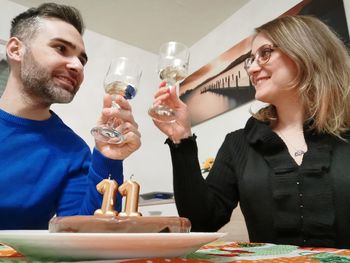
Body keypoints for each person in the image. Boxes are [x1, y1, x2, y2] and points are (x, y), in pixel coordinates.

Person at [152, 15, 350, 248]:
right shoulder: (239, 143)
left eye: (265, 53)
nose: (252, 69)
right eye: (250, 59)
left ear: (306, 52)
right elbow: (202, 221)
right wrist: (181, 139)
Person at [0, 3, 141, 229]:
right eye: (61, 48)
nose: (77, 65)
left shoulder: (73, 151)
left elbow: (85, 236)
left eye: (82, 60)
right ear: (16, 50)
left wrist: (109, 158)